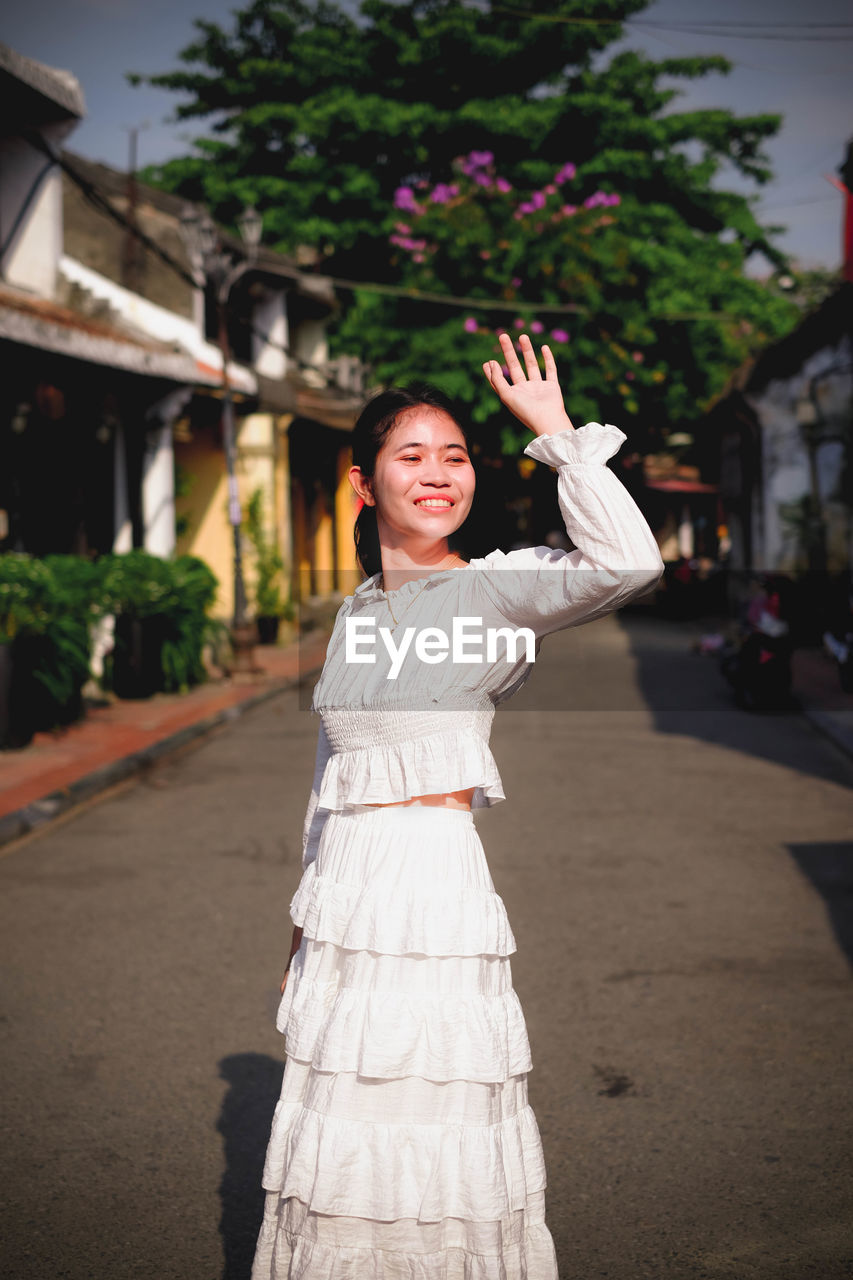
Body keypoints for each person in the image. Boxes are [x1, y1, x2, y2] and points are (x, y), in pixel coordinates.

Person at [251, 333, 664, 1278]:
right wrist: (298, 940)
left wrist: (553, 431)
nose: (440, 473)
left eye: (455, 456)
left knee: (431, 1117)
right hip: (345, 907)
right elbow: (328, 788)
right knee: (349, 1122)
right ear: (363, 485)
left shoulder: (490, 591)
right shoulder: (355, 615)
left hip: (432, 893)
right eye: (412, 455)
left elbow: (628, 563)